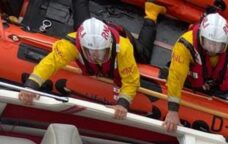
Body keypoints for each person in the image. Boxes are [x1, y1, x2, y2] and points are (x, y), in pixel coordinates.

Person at [18, 2, 166, 119]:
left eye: (102, 52)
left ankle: (151, 16)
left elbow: (131, 80)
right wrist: (30, 86)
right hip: (87, 35)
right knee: (81, 21)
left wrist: (122, 104)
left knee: (144, 55)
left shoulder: (123, 48)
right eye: (92, 53)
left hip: (119, 37)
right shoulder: (72, 45)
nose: (98, 57)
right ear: (82, 46)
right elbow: (49, 63)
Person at [163, 12, 228, 132]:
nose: (212, 49)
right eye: (209, 43)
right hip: (191, 83)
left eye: (218, 46)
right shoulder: (184, 45)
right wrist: (173, 111)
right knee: (174, 73)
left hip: (217, 87)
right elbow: (175, 78)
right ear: (201, 36)